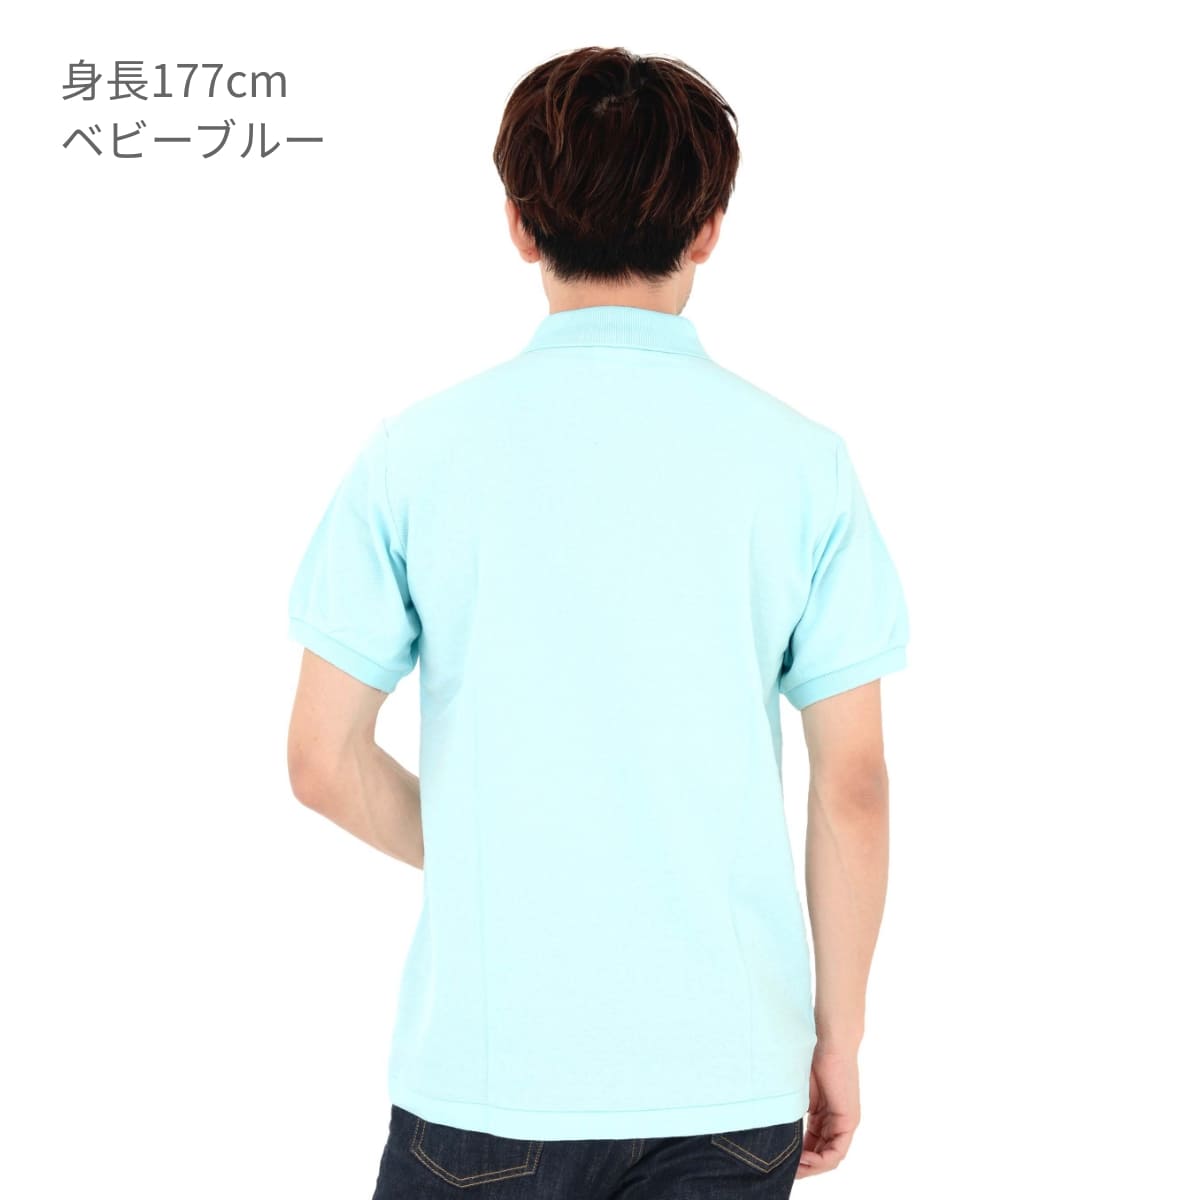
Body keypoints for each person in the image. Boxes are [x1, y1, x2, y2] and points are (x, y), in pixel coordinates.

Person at [286, 45, 909, 1199]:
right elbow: (853, 786)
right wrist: (841, 1038)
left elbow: (322, 761)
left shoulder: (418, 455)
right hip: (730, 1080)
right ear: (709, 228)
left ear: (520, 225)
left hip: (489, 1076)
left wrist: (501, 852)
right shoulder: (802, 465)